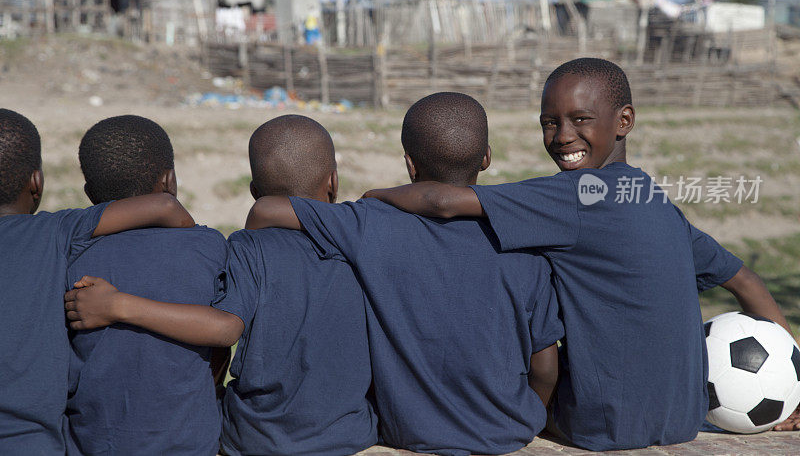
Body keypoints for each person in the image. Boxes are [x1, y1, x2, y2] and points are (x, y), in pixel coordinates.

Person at [357, 59, 799, 450]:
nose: (562, 136)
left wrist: (374, 197)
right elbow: (745, 281)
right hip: (682, 420)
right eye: (549, 122)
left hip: (600, 427)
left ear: (624, 120)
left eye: (580, 118)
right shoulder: (651, 198)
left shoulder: (572, 194)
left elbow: (444, 202)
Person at [241, 93, 563, 455]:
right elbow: (545, 366)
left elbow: (268, 208)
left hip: (407, 432)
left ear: (410, 164)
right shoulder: (523, 243)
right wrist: (527, 415)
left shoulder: (368, 224)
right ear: (486, 158)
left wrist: (377, 197)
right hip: (507, 431)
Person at [65, 115, 378, 456]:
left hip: (251, 439)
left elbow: (223, 338)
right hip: (350, 434)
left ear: (254, 192)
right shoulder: (368, 246)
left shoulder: (67, 254)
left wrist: (118, 305)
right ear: (333, 182)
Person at [0, 109, 194, 455]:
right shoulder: (52, 232)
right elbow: (164, 206)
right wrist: (198, 243)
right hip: (29, 442)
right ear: (36, 182)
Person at [63, 115, 229, 455]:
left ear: (89, 193)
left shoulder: (68, 255)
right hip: (189, 442)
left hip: (90, 441)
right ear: (169, 180)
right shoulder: (209, 247)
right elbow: (221, 347)